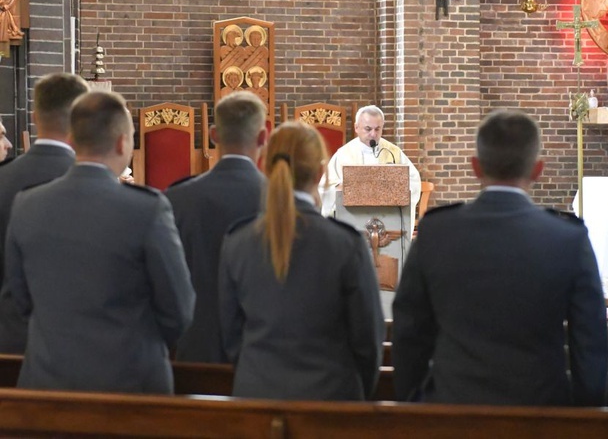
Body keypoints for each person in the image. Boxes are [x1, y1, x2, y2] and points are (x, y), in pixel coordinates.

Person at [392, 109, 608, 405]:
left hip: (451, 411)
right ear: (537, 169)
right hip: (540, 413)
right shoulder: (567, 238)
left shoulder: (437, 232)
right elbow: (590, 340)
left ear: (475, 166)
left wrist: (412, 401)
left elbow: (409, 330)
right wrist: (584, 413)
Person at [4, 91, 195, 394]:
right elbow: (178, 310)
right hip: (131, 383)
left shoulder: (28, 204)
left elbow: (19, 298)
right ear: (122, 142)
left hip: (48, 380)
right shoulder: (147, 209)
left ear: (73, 139)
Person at [219, 121, 385, 400]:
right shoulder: (345, 243)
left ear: (267, 168)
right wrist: (358, 393)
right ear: (320, 172)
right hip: (329, 399)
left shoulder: (238, 241)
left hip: (256, 398)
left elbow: (231, 334)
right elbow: (367, 338)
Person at [165, 91, 267, 363]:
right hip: (261, 355)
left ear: (213, 135)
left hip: (194, 349)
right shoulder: (282, 201)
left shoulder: (177, 199)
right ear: (263, 137)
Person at [0, 73, 89, 353]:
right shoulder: (99, 184)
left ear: (35, 117)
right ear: (83, 119)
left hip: (9, 338)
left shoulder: (4, 179)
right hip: (79, 344)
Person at [319, 105, 421, 233]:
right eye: (368, 129)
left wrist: (397, 189)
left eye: (377, 129)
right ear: (357, 127)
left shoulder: (393, 153)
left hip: (387, 220)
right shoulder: (344, 154)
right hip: (353, 221)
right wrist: (342, 189)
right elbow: (326, 187)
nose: (373, 134)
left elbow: (414, 182)